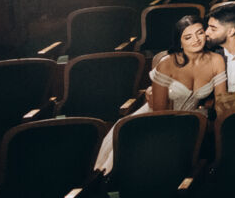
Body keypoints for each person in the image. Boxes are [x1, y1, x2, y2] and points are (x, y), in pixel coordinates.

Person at [96, 15, 227, 172]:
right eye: (188, 37)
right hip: (158, 119)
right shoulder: (167, 63)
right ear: (180, 42)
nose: (196, 40)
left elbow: (222, 101)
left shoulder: (216, 60)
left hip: (195, 118)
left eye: (199, 33)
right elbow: (159, 111)